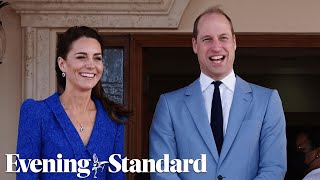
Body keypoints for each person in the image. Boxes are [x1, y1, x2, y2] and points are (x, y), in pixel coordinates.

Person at [149, 6, 286, 180]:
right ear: (195, 45)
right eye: (207, 39)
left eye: (223, 38)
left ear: (234, 42)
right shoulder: (169, 105)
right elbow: (162, 171)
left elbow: (273, 169)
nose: (216, 47)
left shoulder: (267, 101)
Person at [16, 26, 129, 179]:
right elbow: (26, 175)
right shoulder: (37, 113)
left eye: (97, 58)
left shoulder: (113, 119)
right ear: (62, 64)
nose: (91, 65)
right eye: (81, 57)